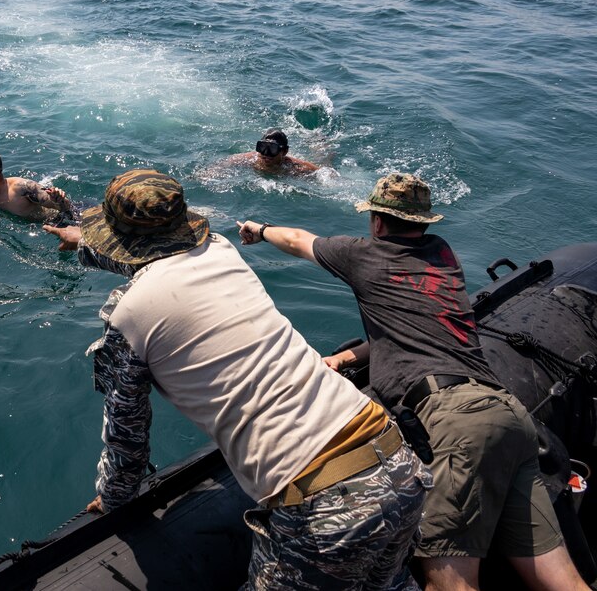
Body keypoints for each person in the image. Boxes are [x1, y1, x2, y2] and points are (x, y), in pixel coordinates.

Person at [44, 169, 428, 590]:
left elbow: (127, 435)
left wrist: (115, 497)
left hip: (324, 504)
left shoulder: (127, 317)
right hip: (397, 459)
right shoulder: (223, 250)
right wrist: (84, 242)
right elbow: (152, 265)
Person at [237, 173, 589, 591]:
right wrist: (346, 357)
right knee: (561, 580)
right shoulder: (442, 254)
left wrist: (258, 229)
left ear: (378, 221)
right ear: (422, 222)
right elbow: (412, 330)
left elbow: (296, 239)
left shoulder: (362, 255)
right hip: (508, 414)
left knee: (450, 583)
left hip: (457, 423)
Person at [217, 129, 319, 176]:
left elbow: (324, 173)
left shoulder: (297, 167)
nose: (266, 154)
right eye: (263, 148)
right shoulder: (251, 159)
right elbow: (225, 162)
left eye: (272, 149)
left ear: (284, 152)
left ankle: (318, 141)